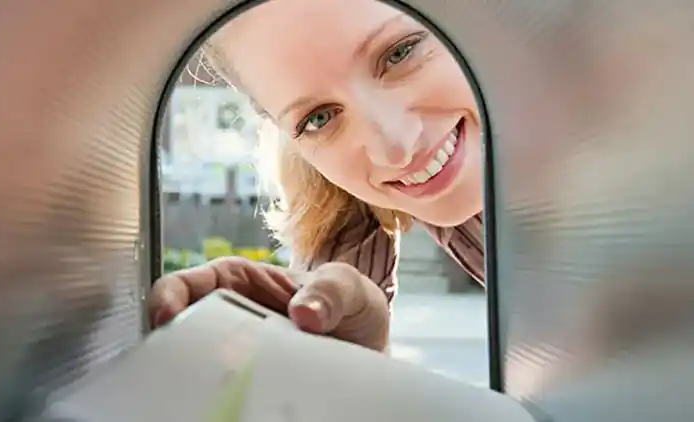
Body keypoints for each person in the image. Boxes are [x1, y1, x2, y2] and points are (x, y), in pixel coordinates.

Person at [148, 0, 484, 353]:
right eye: (319, 118)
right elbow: (330, 362)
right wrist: (339, 358)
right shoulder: (339, 193)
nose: (395, 150)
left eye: (400, 53)